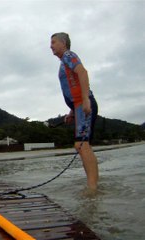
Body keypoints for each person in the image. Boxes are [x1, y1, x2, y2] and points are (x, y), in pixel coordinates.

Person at [50, 32, 99, 190]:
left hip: (83, 104)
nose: (51, 46)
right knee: (81, 145)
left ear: (63, 43)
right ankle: (91, 184)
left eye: (54, 42)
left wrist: (85, 100)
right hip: (77, 106)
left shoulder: (68, 55)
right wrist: (71, 111)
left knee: (82, 144)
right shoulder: (63, 62)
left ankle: (92, 188)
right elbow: (73, 86)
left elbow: (82, 72)